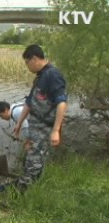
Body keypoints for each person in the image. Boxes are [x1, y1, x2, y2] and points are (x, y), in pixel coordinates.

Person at [13, 44, 67, 189]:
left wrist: (56, 130)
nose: (27, 66)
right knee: (34, 158)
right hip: (35, 126)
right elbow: (29, 102)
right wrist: (19, 123)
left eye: (27, 62)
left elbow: (61, 103)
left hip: (44, 127)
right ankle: (35, 188)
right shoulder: (40, 77)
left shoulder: (52, 74)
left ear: (35, 59)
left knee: (33, 161)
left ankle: (20, 195)